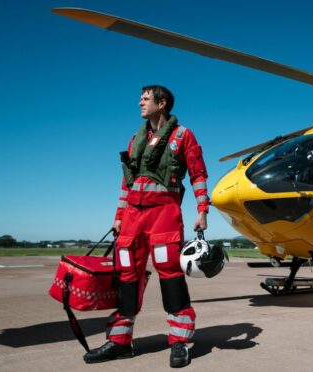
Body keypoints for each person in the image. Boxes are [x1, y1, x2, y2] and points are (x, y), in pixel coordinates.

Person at [83, 85, 210, 368]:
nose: (140, 102)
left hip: (164, 213)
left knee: (170, 275)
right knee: (127, 275)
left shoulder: (183, 135)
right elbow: (126, 183)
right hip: (131, 217)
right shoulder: (135, 139)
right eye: (140, 98)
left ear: (162, 103)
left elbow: (198, 175)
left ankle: (179, 343)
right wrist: (118, 215)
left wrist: (203, 210)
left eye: (145, 98)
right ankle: (119, 343)